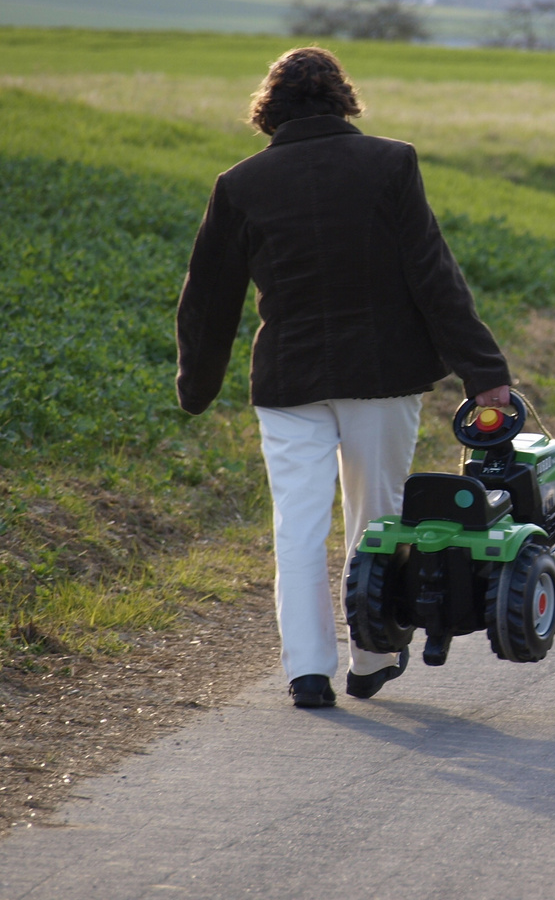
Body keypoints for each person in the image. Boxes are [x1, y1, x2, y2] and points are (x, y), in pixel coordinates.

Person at [175, 47, 512, 708]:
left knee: (296, 526)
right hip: (382, 376)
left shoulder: (239, 183)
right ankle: (373, 654)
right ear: (343, 98)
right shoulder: (391, 163)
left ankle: (306, 672)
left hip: (286, 379)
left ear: (268, 108)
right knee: (376, 516)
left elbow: (207, 299)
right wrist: (486, 376)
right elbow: (433, 275)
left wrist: (197, 384)